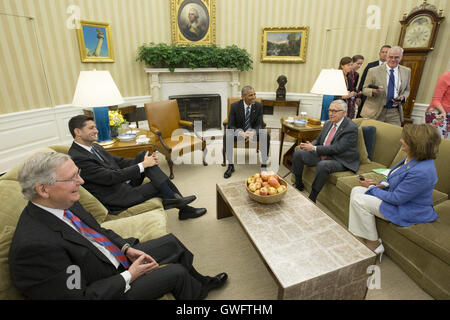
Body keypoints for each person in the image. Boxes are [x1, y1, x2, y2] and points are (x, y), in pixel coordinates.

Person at [9, 151, 228, 299]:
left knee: (172, 243)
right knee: (176, 273)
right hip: (108, 286)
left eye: (78, 175)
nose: (81, 182)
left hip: (111, 258)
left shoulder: (65, 203)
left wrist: (126, 248)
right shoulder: (36, 247)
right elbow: (80, 295)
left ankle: (200, 285)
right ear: (43, 190)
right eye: (72, 178)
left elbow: (99, 232)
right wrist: (130, 275)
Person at [68, 115, 206, 220]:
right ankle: (183, 207)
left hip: (122, 184)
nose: (96, 131)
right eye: (91, 128)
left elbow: (119, 161)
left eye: (95, 127)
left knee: (143, 154)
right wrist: (142, 166)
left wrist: (145, 161)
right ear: (77, 132)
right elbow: (110, 178)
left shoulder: (94, 146)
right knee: (157, 184)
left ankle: (179, 204)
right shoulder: (78, 157)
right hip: (117, 197)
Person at [348, 124, 441, 262]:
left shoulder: (423, 171)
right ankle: (362, 238)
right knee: (356, 190)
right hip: (397, 199)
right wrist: (380, 185)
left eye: (405, 139)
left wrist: (373, 189)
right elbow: (396, 181)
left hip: (408, 209)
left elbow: (397, 198)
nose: (401, 140)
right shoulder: (412, 158)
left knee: (359, 200)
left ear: (417, 144)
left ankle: (374, 244)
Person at [291, 100, 359, 203]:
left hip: (340, 159)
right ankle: (298, 184)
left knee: (323, 165)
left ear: (344, 112)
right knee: (299, 153)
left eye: (335, 111)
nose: (331, 114)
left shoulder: (351, 128)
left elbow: (337, 148)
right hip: (324, 153)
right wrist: (310, 145)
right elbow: (319, 140)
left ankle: (312, 197)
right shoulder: (328, 123)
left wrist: (314, 148)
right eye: (330, 110)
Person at [223, 86, 270, 179]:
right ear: (243, 97)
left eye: (254, 94)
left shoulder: (258, 106)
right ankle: (230, 166)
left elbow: (260, 124)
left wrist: (252, 132)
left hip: (252, 133)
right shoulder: (234, 106)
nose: (254, 97)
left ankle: (264, 165)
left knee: (266, 135)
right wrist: (241, 133)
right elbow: (231, 125)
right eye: (250, 95)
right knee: (227, 135)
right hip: (240, 133)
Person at [361, 46, 411, 126]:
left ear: (401, 57)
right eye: (391, 57)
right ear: (386, 57)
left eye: (396, 57)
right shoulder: (373, 71)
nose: (393, 60)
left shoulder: (407, 71)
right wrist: (374, 91)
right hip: (375, 111)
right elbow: (364, 89)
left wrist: (402, 97)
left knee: (393, 136)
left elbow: (407, 90)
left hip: (394, 112)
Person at [357, 45, 391, 118]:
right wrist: (359, 96)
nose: (384, 54)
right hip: (367, 97)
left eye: (387, 52)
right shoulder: (371, 65)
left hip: (382, 100)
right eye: (383, 52)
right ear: (379, 53)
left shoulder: (391, 68)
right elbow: (362, 81)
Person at [425, 71, 450, 139]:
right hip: (438, 112)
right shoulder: (445, 77)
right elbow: (436, 100)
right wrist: (443, 112)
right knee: (437, 142)